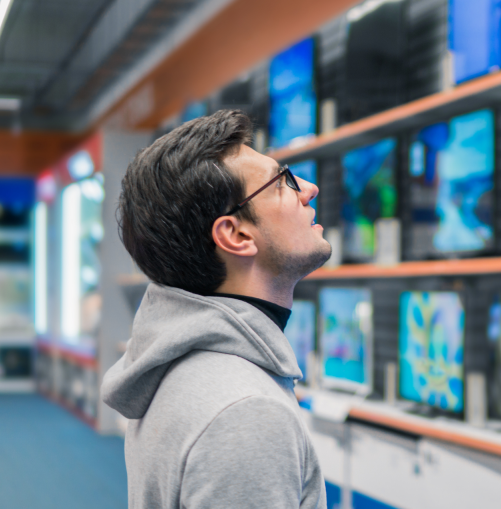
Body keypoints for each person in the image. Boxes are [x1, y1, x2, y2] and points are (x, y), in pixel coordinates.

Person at [102, 110, 330, 509]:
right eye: (281, 183)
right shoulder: (245, 412)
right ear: (236, 234)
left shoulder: (181, 367)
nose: (308, 188)